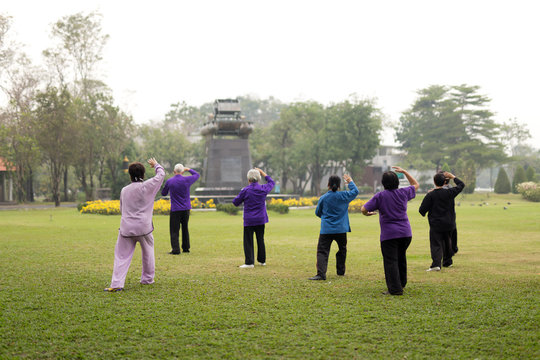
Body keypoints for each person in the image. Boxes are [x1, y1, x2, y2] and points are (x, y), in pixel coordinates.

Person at [104, 158, 165, 292]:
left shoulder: (124, 190)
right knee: (148, 252)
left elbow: (122, 208)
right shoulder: (148, 186)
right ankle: (147, 279)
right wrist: (156, 165)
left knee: (121, 256)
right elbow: (161, 175)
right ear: (143, 174)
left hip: (126, 228)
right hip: (144, 228)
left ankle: (117, 283)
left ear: (130, 175)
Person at [361, 166, 419, 295]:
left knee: (391, 261)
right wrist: (404, 172)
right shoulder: (403, 193)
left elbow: (363, 209)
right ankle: (401, 283)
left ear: (383, 183)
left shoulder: (380, 196)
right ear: (397, 182)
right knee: (401, 258)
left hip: (389, 235)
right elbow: (415, 184)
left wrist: (367, 214)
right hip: (405, 233)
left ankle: (395, 289)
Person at [309, 174, 359, 281]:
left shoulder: (324, 198)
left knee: (322, 251)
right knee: (342, 249)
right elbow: (355, 191)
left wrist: (326, 217)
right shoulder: (344, 196)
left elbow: (318, 212)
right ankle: (340, 271)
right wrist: (350, 181)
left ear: (328, 184)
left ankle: (321, 274)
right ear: (339, 185)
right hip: (341, 229)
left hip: (326, 229)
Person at [419, 171, 465, 271]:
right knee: (448, 241)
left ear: (434, 182)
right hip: (449, 222)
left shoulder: (431, 195)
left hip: (436, 223)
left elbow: (422, 211)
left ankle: (436, 264)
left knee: (436, 243)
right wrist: (453, 176)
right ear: (445, 182)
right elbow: (461, 185)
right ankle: (447, 262)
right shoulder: (450, 192)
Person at [232, 168, 275, 268]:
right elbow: (272, 182)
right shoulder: (263, 189)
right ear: (259, 179)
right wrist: (263, 172)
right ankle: (262, 260)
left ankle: (249, 262)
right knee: (260, 239)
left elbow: (235, 202)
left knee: (248, 241)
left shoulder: (245, 190)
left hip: (249, 219)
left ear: (249, 179)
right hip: (260, 218)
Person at [161, 164, 200, 254]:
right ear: (182, 172)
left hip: (175, 209)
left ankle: (176, 249)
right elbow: (197, 175)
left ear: (174, 172)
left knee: (174, 229)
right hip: (186, 208)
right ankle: (186, 248)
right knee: (185, 228)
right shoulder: (187, 180)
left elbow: (163, 193)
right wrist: (188, 169)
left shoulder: (170, 181)